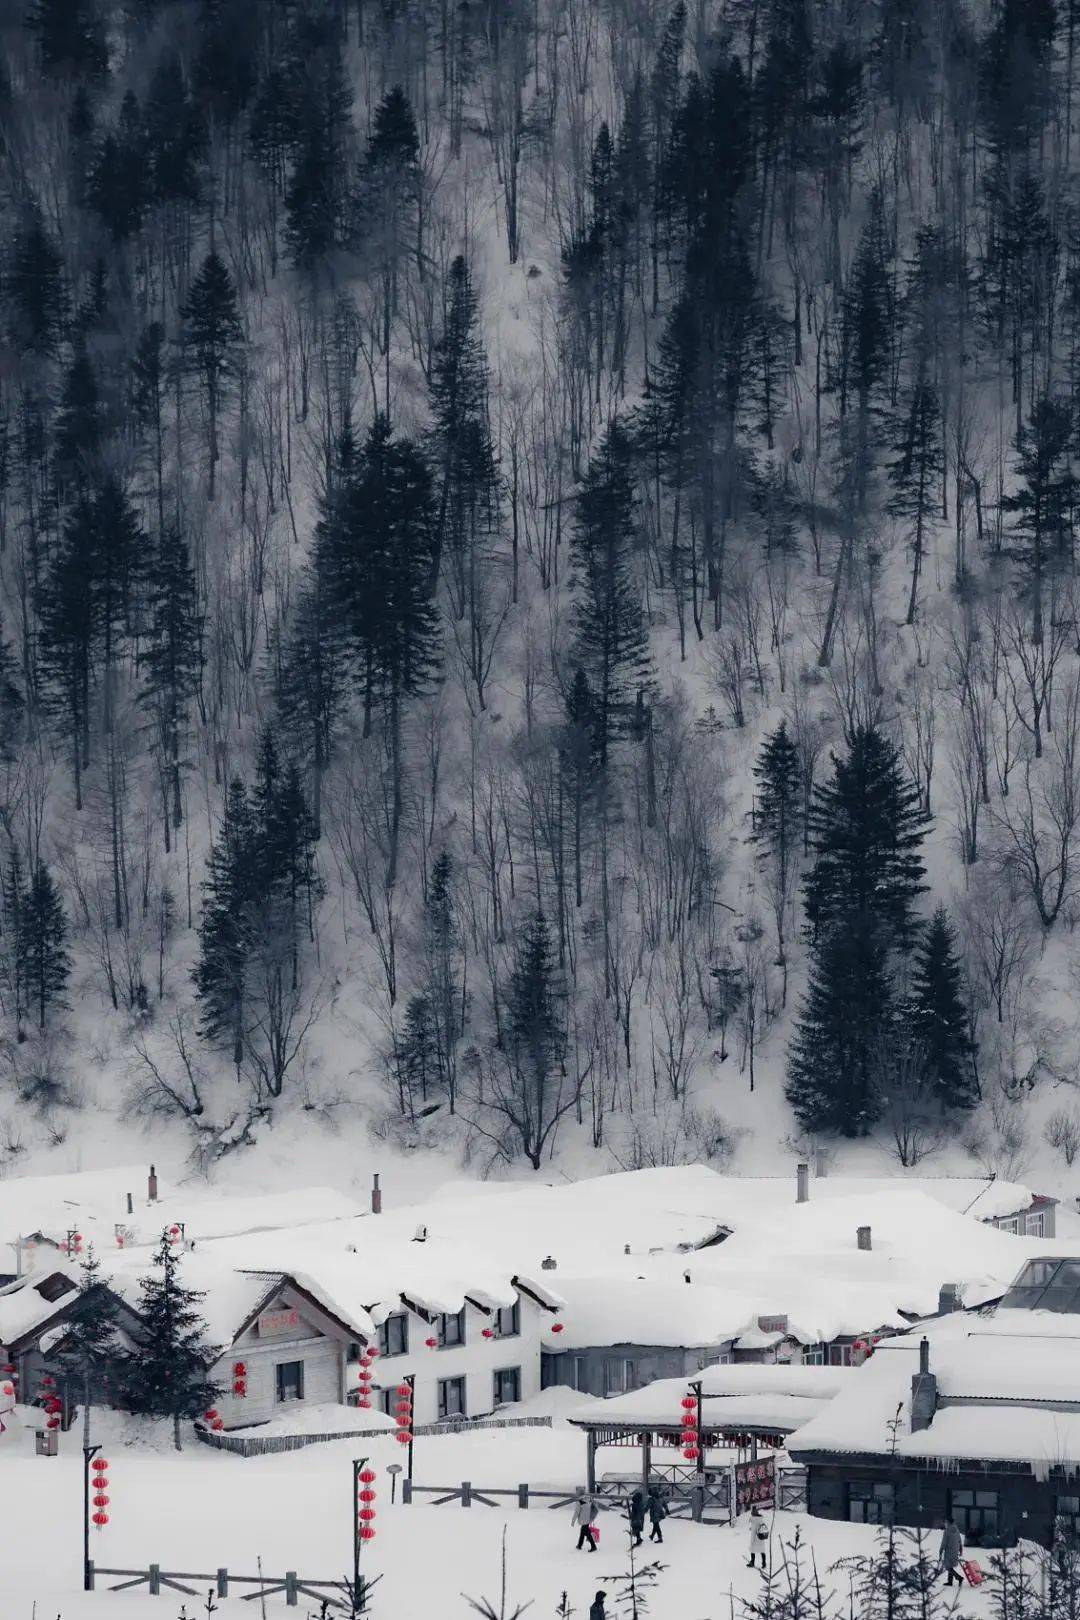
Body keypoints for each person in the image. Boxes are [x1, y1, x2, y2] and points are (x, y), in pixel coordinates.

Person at [939, 1516, 963, 1586]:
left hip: (949, 1550)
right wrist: (960, 1549)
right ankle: (950, 1581)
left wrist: (941, 1550)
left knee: (947, 1566)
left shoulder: (947, 1531)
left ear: (949, 1522)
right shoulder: (957, 1529)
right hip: (955, 1550)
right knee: (950, 1566)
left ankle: (959, 1578)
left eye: (946, 1522)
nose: (945, 1523)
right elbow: (959, 1540)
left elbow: (944, 1542)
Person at [747, 1505, 769, 1569]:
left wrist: (752, 1540)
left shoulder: (753, 1520)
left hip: (755, 1538)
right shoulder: (761, 1519)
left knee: (752, 1550)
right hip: (761, 1537)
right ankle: (764, 1563)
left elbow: (753, 1531)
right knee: (762, 1550)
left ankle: (752, 1562)